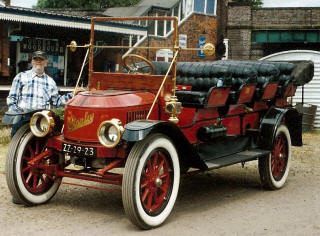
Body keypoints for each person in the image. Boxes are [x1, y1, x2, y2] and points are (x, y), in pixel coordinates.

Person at [7, 50, 84, 137]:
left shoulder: (50, 81)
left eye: (41, 59)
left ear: (46, 62)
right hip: (24, 117)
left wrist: (73, 94)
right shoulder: (21, 76)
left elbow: (57, 102)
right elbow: (11, 98)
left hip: (43, 119)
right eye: (36, 59)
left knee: (56, 135)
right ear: (32, 62)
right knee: (16, 142)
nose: (38, 61)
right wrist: (16, 113)